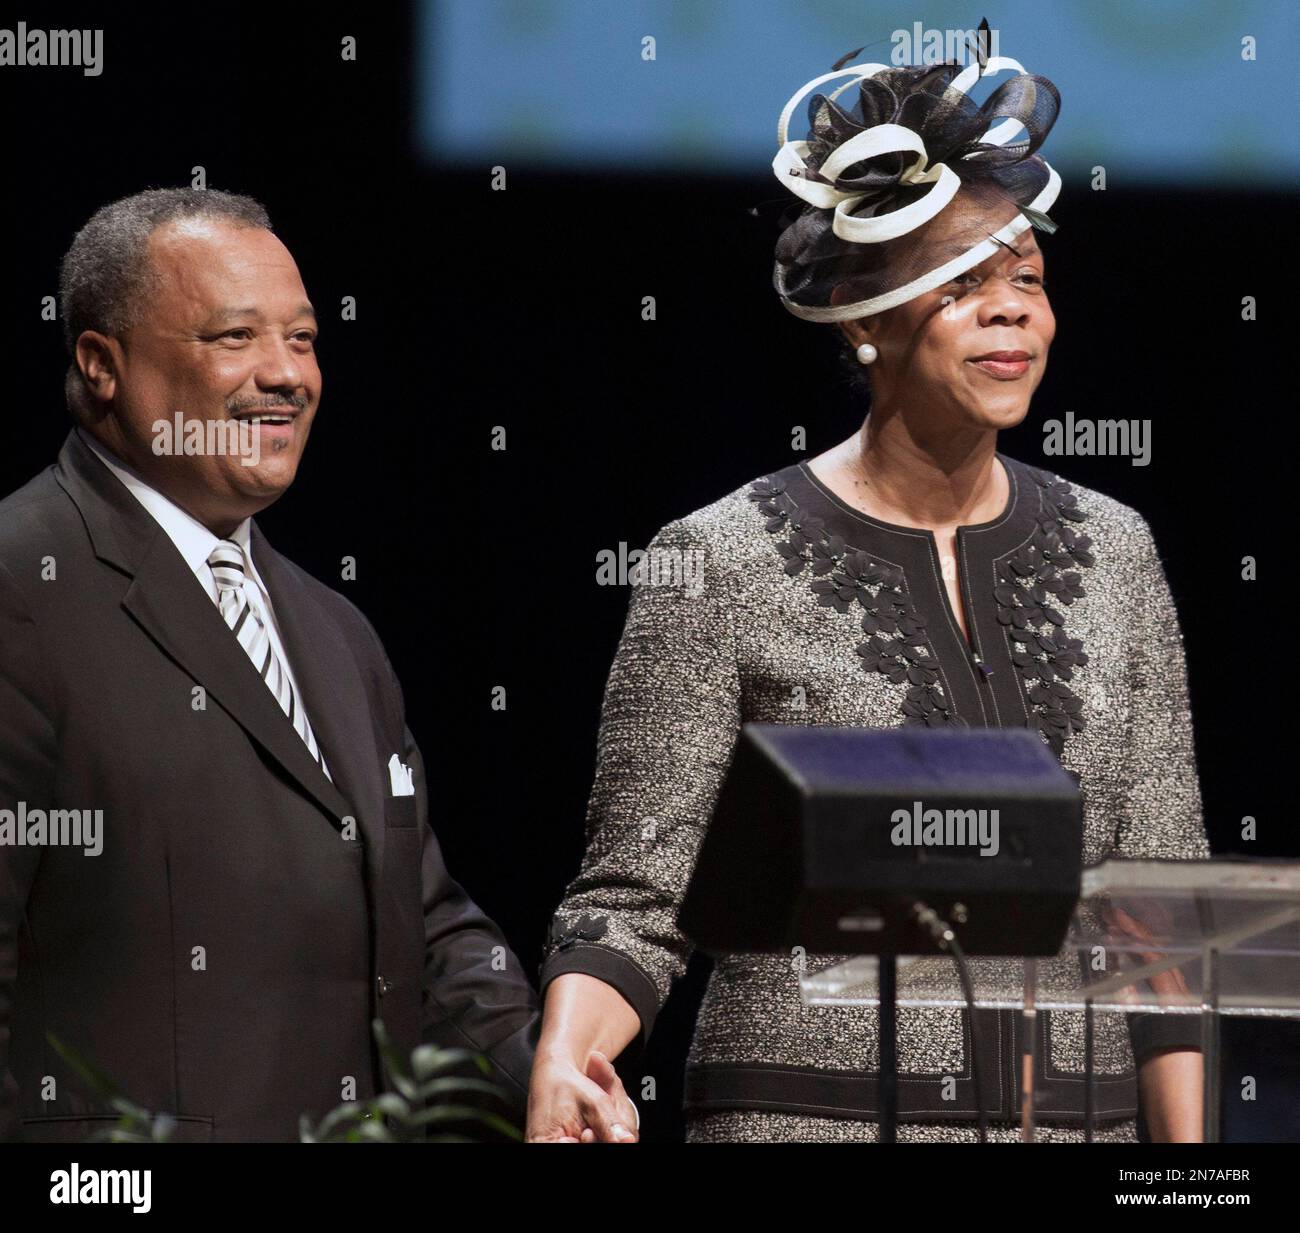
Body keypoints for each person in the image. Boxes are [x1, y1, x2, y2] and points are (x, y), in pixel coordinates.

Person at [526, 38, 1209, 1143]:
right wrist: (566, 1055)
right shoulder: (716, 558)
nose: (1009, 312)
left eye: (1026, 280)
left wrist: (1186, 1169)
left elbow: (1163, 912)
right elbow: (633, 899)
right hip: (808, 1121)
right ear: (862, 316)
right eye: (961, 282)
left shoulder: (1117, 550)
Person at [0, 188, 567, 1142]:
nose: (285, 375)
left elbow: (419, 929)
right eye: (234, 338)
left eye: (303, 341)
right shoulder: (21, 586)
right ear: (103, 365)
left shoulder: (336, 630)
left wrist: (545, 1066)